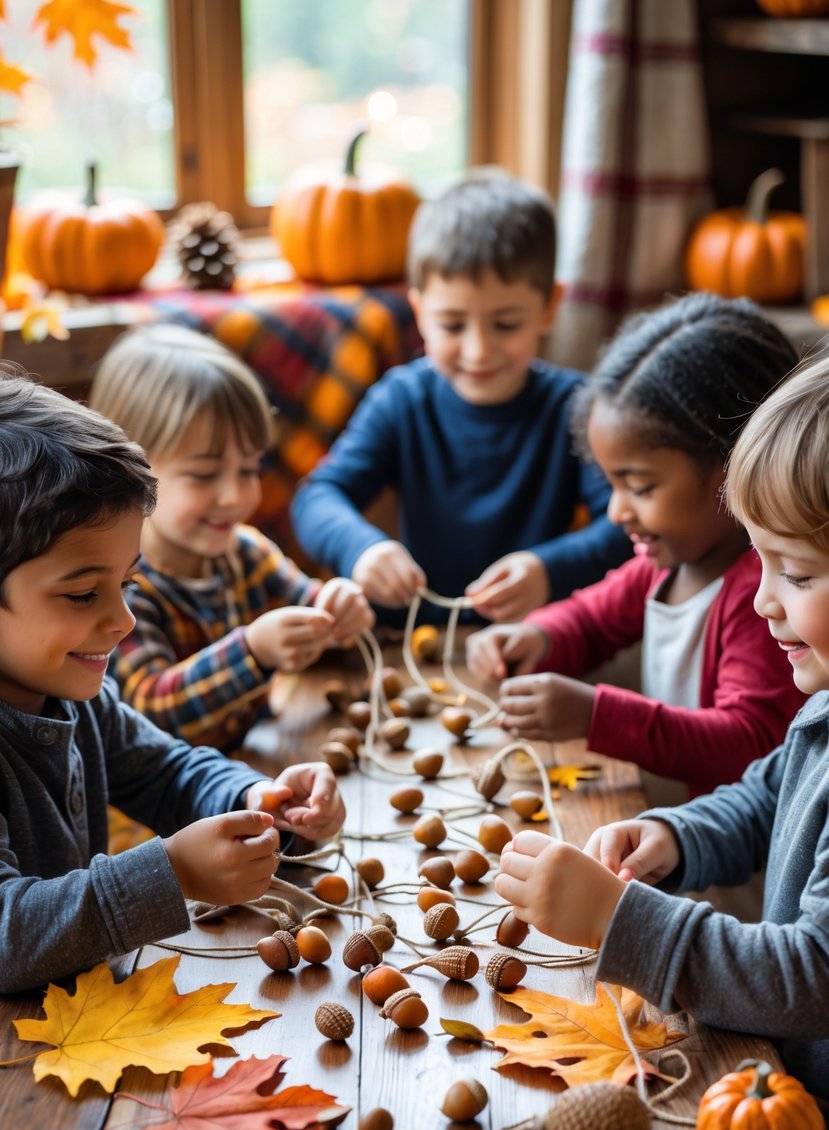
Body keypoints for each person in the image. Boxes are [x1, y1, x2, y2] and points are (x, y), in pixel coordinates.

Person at [494, 348, 829, 1103]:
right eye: (762, 563)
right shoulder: (824, 703)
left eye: (797, 575)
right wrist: (675, 836)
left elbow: (811, 979)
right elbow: (761, 799)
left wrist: (623, 925)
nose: (763, 600)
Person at [0, 373, 346, 994]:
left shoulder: (83, 700)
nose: (123, 619)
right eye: (83, 593)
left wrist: (254, 799)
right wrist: (172, 872)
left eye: (127, 584)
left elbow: (165, 771)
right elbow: (7, 934)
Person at [467, 293, 804, 801]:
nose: (616, 512)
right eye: (613, 485)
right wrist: (536, 637)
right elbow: (591, 620)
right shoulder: (664, 564)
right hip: (663, 836)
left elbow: (748, 743)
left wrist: (595, 716)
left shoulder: (761, 597)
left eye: (641, 487)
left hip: (731, 870)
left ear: (735, 469)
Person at [290, 167, 631, 625]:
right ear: (419, 313)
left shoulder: (576, 409)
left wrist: (547, 571)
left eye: (506, 324)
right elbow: (317, 497)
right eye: (452, 325)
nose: (478, 350)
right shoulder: (402, 399)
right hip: (411, 638)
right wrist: (363, 550)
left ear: (550, 307)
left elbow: (626, 525)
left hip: (530, 643)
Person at [88, 325, 374, 751]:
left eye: (249, 469)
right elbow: (147, 713)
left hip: (252, 765)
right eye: (204, 475)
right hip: (160, 806)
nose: (235, 496)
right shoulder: (122, 589)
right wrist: (253, 653)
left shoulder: (248, 552)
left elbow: (314, 613)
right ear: (129, 475)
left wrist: (340, 614)